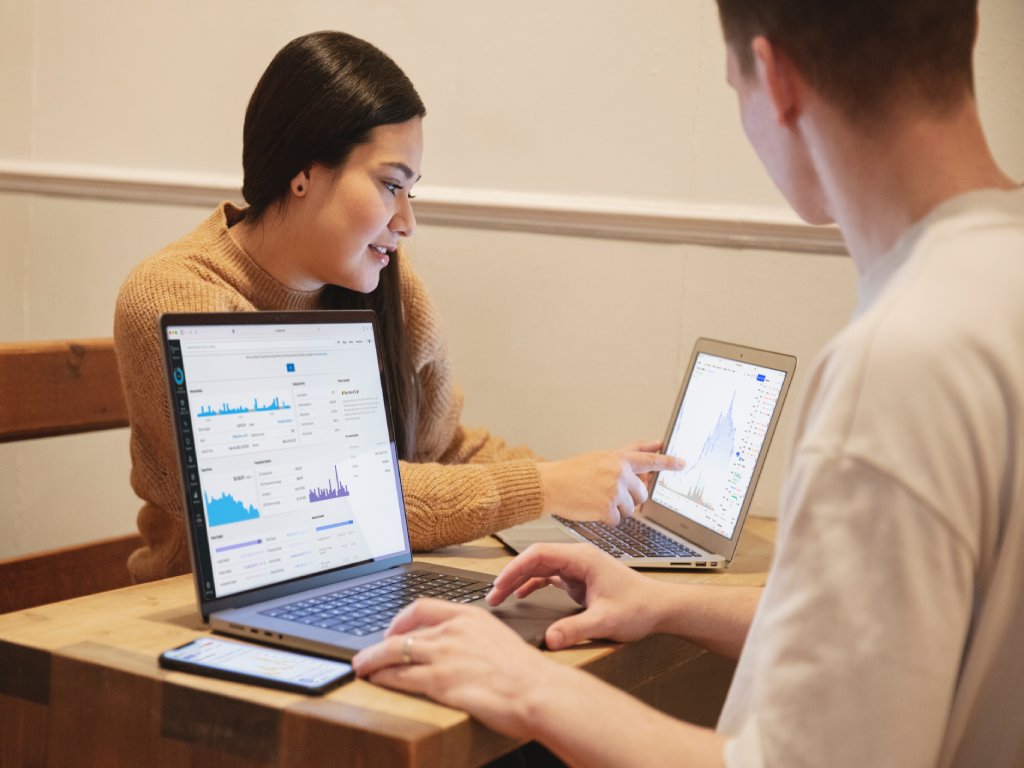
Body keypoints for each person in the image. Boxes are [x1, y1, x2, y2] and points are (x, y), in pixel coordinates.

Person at [353, 1, 1024, 765]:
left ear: (775, 82)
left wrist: (528, 687)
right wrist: (665, 599)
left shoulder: (901, 360)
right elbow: (898, 636)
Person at [114, 31, 682, 584]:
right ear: (303, 173)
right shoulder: (175, 298)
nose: (406, 221)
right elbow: (309, 503)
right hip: (204, 625)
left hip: (368, 588)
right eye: (390, 185)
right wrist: (544, 486)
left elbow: (447, 448)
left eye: (413, 191)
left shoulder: (386, 285)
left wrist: (601, 481)